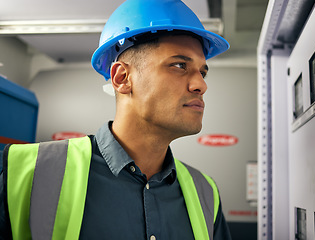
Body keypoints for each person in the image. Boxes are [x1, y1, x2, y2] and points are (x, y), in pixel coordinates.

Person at [0, 0, 231, 239]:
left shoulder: (206, 193)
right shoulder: (23, 172)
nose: (201, 85)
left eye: (202, 72)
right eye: (179, 65)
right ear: (122, 78)